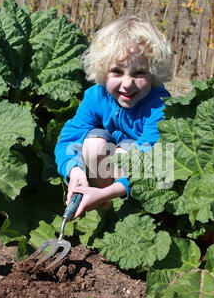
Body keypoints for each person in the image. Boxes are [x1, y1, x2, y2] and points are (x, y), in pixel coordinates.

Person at [54, 15, 172, 219]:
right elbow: (68, 139)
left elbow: (154, 165)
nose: (127, 84)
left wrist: (104, 193)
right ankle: (104, 210)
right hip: (109, 171)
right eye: (117, 71)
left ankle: (127, 212)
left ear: (153, 73)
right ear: (102, 71)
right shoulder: (95, 96)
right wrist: (74, 171)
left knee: (127, 154)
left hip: (147, 182)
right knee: (93, 144)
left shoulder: (159, 107)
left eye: (139, 73)